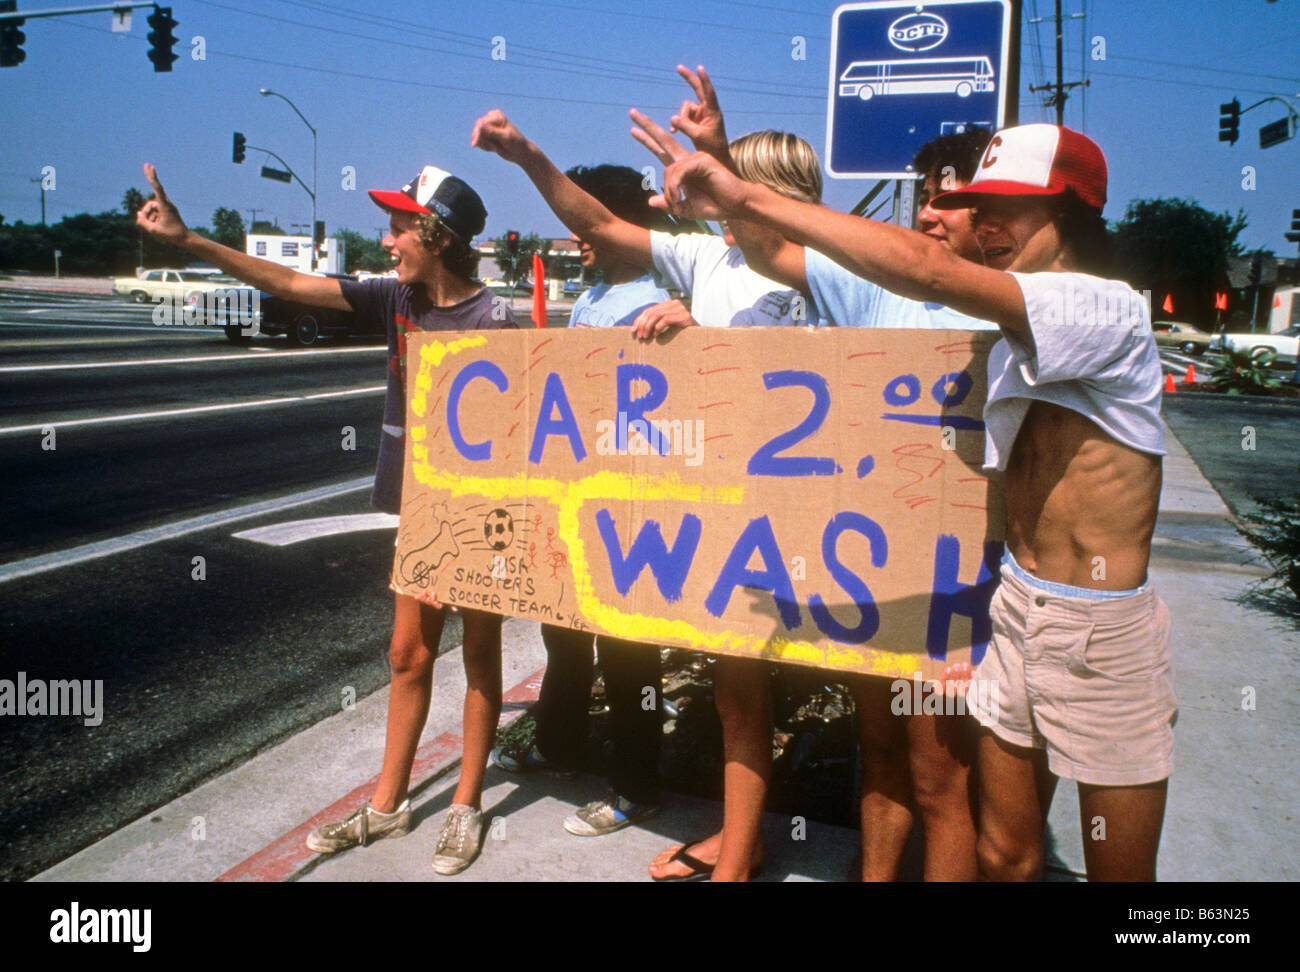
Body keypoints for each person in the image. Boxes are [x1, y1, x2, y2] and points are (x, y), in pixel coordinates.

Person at [655, 121, 1174, 882]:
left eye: (1009, 210)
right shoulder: (1010, 325)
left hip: (1099, 631)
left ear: (1071, 211)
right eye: (979, 207)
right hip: (1016, 608)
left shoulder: (1104, 309)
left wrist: (742, 191)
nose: (987, 227)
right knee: (1004, 853)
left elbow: (928, 271)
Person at [134, 161, 519, 876]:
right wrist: (188, 241)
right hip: (417, 510)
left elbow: (513, 437)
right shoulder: (393, 299)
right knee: (407, 653)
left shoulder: (493, 317)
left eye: (403, 224)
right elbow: (286, 283)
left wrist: (465, 545)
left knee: (481, 650)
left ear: (437, 236)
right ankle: (388, 803)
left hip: (478, 516)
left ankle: (466, 802)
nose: (390, 235)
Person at [471, 107, 823, 881]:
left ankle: (743, 837)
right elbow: (596, 220)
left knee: (869, 721)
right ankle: (740, 845)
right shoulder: (706, 264)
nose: (715, 197)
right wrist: (525, 152)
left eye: (732, 184)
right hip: (711, 513)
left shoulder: (827, 271)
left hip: (794, 518)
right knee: (737, 692)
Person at [491, 164, 672, 837]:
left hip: (632, 504)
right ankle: (561, 745)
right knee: (562, 630)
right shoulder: (595, 297)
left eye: (588, 223)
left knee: (628, 651)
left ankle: (638, 785)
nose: (577, 238)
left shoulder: (662, 301)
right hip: (576, 496)